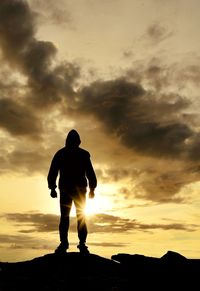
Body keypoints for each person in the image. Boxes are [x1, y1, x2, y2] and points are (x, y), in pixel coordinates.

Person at [47, 129, 97, 254]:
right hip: (69, 189)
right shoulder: (66, 154)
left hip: (75, 189)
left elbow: (90, 172)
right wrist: (52, 187)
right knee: (72, 217)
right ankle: (67, 243)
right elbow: (53, 171)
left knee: (76, 217)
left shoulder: (76, 154)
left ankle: (78, 243)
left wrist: (92, 188)